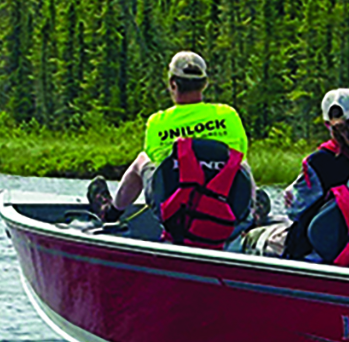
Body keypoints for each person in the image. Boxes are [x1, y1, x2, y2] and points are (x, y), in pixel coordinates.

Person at [87, 50, 251, 221]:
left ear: (173, 84)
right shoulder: (227, 114)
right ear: (205, 84)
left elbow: (158, 163)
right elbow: (239, 154)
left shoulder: (158, 122)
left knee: (142, 160)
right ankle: (250, 216)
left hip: (175, 211)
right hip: (225, 206)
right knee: (241, 163)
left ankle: (111, 212)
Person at [239, 87, 349, 258]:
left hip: (317, 252)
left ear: (327, 124)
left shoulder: (318, 162)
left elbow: (295, 211)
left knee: (252, 238)